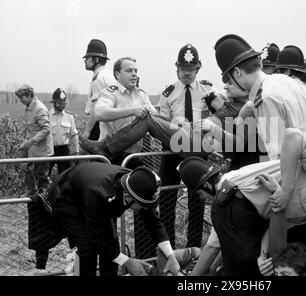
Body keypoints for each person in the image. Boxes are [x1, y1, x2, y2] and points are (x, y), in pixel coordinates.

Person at [178, 128, 306, 276]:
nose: (202, 199)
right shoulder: (230, 190)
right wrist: (285, 191)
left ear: (206, 185)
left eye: (200, 194)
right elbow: (293, 137)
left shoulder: (228, 194)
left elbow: (216, 245)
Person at [47, 163, 182, 276]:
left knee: (112, 241)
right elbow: (97, 237)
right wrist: (128, 262)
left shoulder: (138, 184)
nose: (145, 209)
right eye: (143, 206)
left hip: (93, 197)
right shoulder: (99, 193)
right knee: (88, 246)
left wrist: (171, 256)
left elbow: (153, 221)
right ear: (129, 198)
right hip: (67, 198)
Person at [212, 34, 306, 160]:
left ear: (237, 72)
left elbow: (279, 156)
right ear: (259, 62)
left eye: (230, 79)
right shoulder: (285, 81)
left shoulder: (264, 98)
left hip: (301, 171)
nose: (229, 84)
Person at [156, 43, 214, 249]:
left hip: (198, 153)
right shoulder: (168, 93)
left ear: (198, 69)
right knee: (167, 201)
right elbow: (162, 125)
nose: (186, 74)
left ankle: (194, 250)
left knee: (196, 203)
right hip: (172, 151)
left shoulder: (208, 91)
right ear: (177, 69)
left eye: (191, 70)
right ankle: (169, 249)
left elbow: (216, 117)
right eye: (183, 69)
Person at [15, 84, 56, 273]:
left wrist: (30, 142)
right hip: (33, 151)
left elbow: (46, 130)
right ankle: (36, 198)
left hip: (41, 151)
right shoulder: (28, 108)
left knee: (42, 178)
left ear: (29, 95)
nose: (20, 101)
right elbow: (30, 130)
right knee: (33, 177)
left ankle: (44, 202)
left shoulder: (39, 108)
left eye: (22, 97)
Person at [93, 56, 156, 167]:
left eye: (135, 71)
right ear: (117, 74)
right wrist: (132, 111)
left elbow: (155, 116)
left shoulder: (142, 95)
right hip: (110, 157)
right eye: (129, 70)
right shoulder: (110, 93)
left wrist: (153, 113)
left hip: (133, 157)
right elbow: (99, 113)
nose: (134, 74)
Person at [82, 39, 116, 140]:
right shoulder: (108, 74)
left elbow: (96, 108)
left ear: (96, 60)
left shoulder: (99, 78)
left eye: (88, 58)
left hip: (101, 125)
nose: (85, 60)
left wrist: (87, 131)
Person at [48, 88, 80, 175]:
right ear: (54, 102)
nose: (62, 105)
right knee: (44, 176)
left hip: (64, 150)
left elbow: (74, 134)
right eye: (59, 103)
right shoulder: (46, 116)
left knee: (65, 176)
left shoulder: (69, 117)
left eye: (63, 103)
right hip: (49, 149)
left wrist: (77, 151)